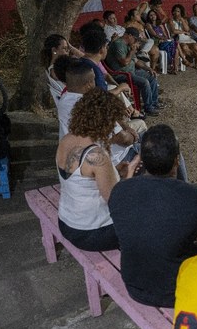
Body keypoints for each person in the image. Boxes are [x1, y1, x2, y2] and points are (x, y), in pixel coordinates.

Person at [109, 124, 197, 308]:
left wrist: (129, 173)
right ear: (177, 160)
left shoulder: (119, 191)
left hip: (135, 286)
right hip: (179, 289)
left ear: (141, 160)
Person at [56, 89, 137, 252]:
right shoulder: (97, 155)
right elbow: (118, 203)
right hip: (92, 233)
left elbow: (82, 178)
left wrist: (113, 171)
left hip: (66, 222)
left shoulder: (66, 140)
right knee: (148, 210)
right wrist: (131, 171)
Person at [105, 27, 161, 116]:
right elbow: (124, 62)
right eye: (135, 39)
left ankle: (154, 103)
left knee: (151, 76)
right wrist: (132, 51)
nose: (136, 41)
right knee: (144, 82)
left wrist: (149, 69)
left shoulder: (129, 45)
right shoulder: (118, 44)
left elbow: (136, 61)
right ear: (129, 36)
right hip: (121, 74)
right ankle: (148, 107)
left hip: (131, 71)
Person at [42, 34, 83, 105]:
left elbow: (90, 61)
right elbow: (90, 62)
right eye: (64, 48)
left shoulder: (53, 67)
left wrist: (71, 48)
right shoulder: (56, 70)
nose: (68, 52)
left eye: (68, 49)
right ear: (54, 50)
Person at [145, 9, 182, 74]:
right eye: (151, 15)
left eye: (154, 14)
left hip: (164, 42)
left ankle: (175, 69)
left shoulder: (160, 24)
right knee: (174, 44)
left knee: (176, 50)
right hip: (156, 42)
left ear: (156, 15)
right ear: (148, 17)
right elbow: (154, 34)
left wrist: (165, 38)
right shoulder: (148, 25)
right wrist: (162, 38)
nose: (153, 16)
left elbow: (165, 34)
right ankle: (180, 60)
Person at [168, 4, 197, 68]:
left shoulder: (184, 20)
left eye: (178, 11)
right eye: (175, 11)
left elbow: (187, 29)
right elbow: (174, 31)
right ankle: (196, 58)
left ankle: (194, 59)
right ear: (173, 12)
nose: (176, 13)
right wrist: (183, 32)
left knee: (196, 47)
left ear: (181, 12)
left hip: (187, 38)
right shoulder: (171, 20)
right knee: (185, 47)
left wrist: (182, 20)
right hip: (179, 39)